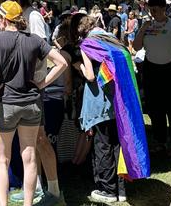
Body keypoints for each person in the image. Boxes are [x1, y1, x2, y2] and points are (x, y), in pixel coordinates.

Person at [0, 0, 67, 206]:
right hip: (32, 104)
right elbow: (62, 63)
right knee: (30, 157)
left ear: (3, 19)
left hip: (5, 103)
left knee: (2, 159)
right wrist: (42, 83)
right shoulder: (34, 40)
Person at [4, 0, 63, 204]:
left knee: (40, 139)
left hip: (33, 88)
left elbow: (42, 51)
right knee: (30, 141)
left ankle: (55, 192)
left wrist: (41, 82)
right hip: (23, 87)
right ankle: (36, 187)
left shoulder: (34, 17)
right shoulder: (24, 17)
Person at [70, 14, 126, 203]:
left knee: (103, 145)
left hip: (99, 101)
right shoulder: (110, 40)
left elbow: (91, 76)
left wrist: (78, 67)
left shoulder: (87, 44)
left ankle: (107, 189)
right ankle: (121, 187)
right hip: (117, 100)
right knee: (117, 144)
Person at [133, 0, 171, 156]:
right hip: (152, 70)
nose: (153, 13)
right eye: (150, 10)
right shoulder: (147, 26)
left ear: (164, 9)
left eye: (156, 10)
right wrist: (143, 28)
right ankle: (160, 141)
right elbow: (136, 47)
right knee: (155, 108)